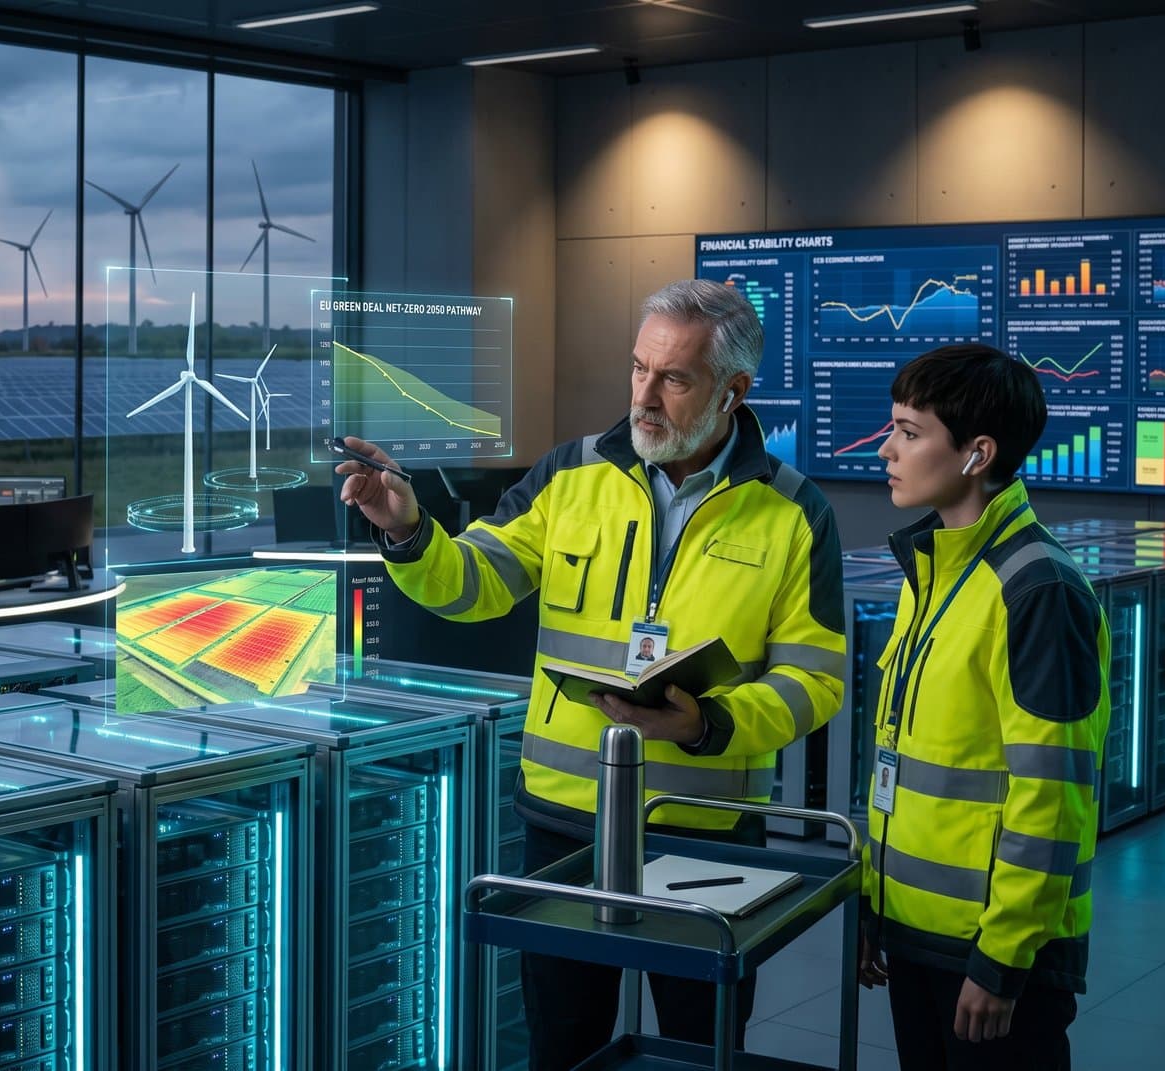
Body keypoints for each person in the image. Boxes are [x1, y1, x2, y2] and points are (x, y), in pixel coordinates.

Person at [339, 279, 847, 1069]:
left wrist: (710, 723)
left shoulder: (794, 511)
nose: (645, 395)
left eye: (674, 378)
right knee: (563, 1047)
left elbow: (816, 679)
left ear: (734, 392)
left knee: (695, 1052)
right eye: (639, 368)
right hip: (565, 828)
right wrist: (408, 529)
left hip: (703, 833)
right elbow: (474, 581)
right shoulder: (569, 475)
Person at [860, 344, 1108, 1071]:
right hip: (916, 932)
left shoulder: (1036, 590)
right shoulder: (934, 570)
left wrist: (1002, 956)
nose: (887, 448)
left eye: (909, 431)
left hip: (992, 952)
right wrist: (878, 907)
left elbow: (1054, 797)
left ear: (977, 454)